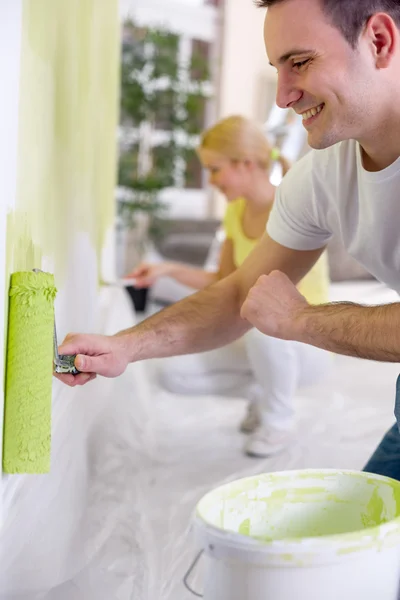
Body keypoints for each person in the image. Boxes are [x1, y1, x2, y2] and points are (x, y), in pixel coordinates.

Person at [57, 0, 400, 481]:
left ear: (379, 42)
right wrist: (125, 346)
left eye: (300, 62)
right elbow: (240, 292)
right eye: (277, 69)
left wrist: (299, 319)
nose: (283, 97)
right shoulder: (319, 180)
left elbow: (279, 312)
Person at [125, 115, 331, 457]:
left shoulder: (293, 206)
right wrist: (166, 270)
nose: (210, 180)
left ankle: (278, 421)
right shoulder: (235, 213)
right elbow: (225, 281)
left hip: (307, 341)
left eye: (215, 168)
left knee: (264, 321)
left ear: (246, 164)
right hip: (261, 335)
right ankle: (265, 396)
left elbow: (267, 297)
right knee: (173, 374)